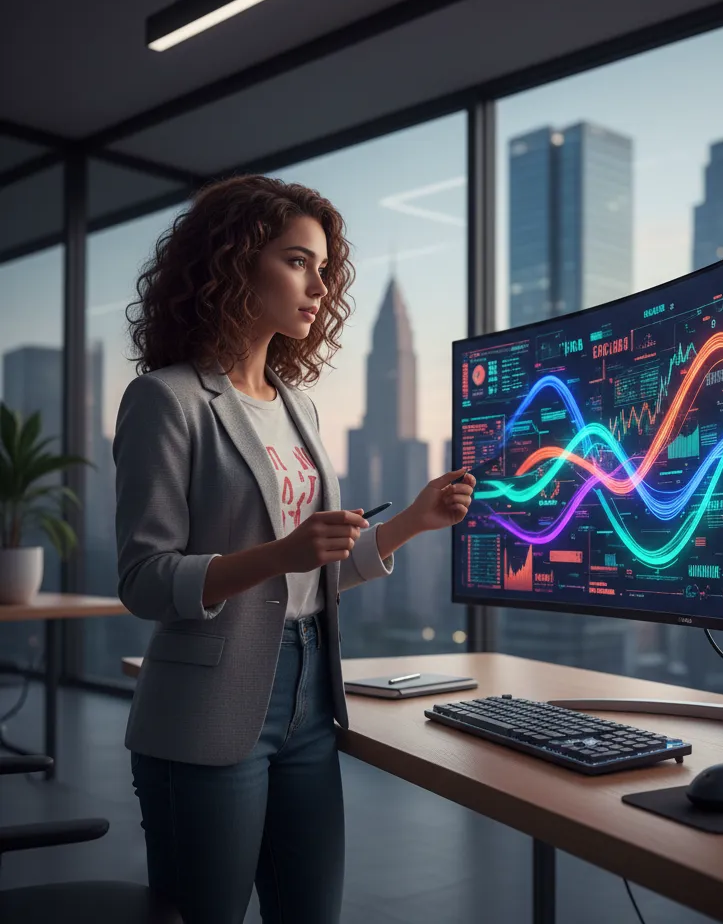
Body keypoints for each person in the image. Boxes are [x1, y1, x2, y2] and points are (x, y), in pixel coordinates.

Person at [113, 175, 476, 924]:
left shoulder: (300, 407)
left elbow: (310, 576)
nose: (320, 284)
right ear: (233, 263)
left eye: (323, 268)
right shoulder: (167, 399)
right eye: (297, 261)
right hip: (208, 707)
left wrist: (411, 520)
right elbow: (145, 580)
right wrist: (280, 553)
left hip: (312, 696)